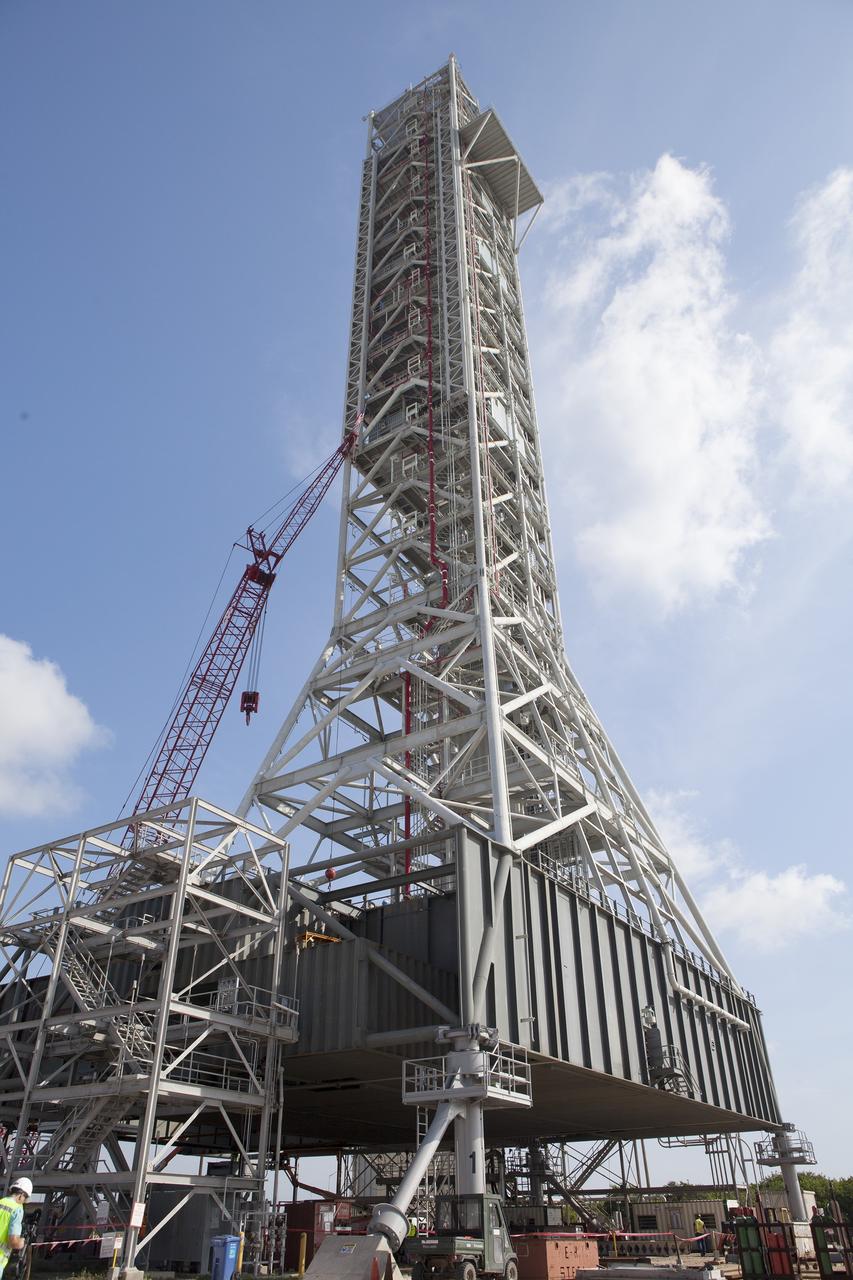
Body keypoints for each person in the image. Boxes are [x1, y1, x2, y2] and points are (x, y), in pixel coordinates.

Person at [0, 1178, 32, 1278]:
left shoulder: (1, 1201)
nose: (24, 1201)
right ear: (21, 1195)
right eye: (25, 1198)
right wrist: (22, 1242)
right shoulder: (17, 1209)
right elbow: (13, 1242)